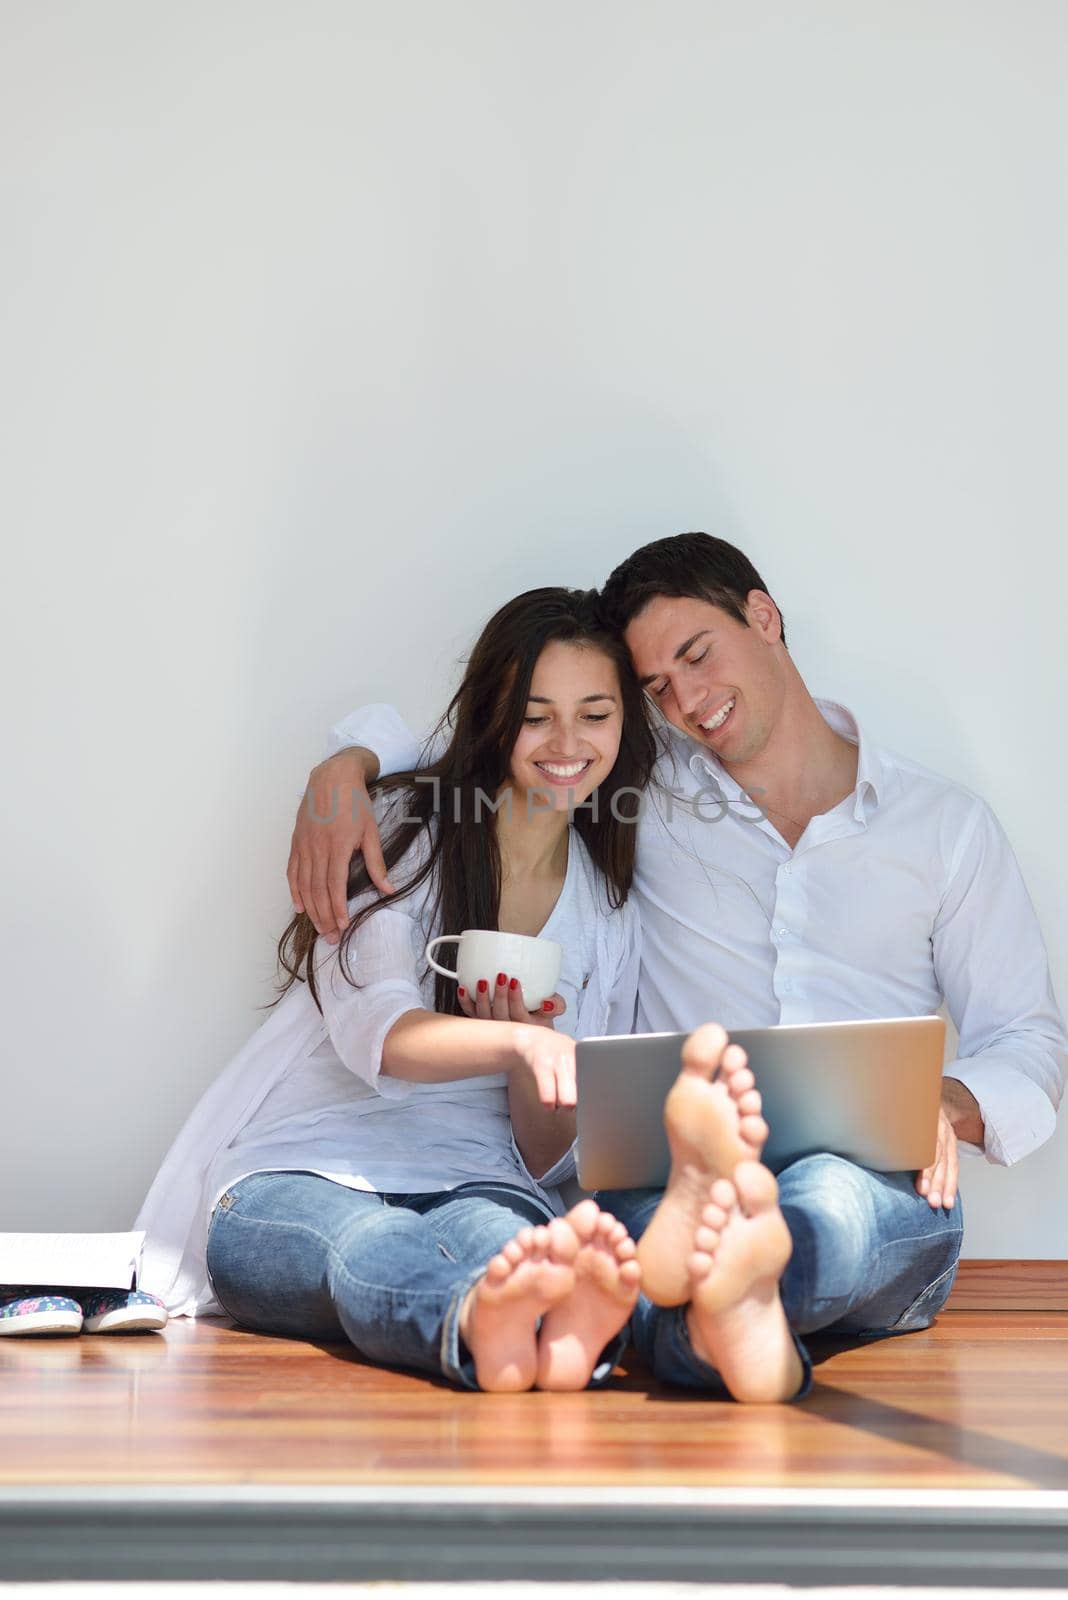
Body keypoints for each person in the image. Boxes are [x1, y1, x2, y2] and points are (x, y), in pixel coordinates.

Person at [291, 533, 1067, 1404]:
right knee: (639, 1242)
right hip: (673, 1181)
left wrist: (948, 1105)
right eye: (657, 688)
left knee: (825, 1205)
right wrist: (341, 775)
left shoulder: (944, 827)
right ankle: (732, 1327)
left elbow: (1028, 1042)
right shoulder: (641, 799)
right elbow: (487, 740)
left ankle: (738, 1277)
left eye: (697, 655)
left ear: (764, 617)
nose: (689, 701)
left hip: (870, 1177)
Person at [135, 587, 659, 1392]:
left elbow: (547, 1154)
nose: (567, 742)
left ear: (625, 726)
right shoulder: (404, 832)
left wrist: (532, 1072)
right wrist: (522, 1039)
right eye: (535, 713)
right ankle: (480, 1323)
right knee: (359, 1246)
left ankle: (537, 1330)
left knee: (506, 1241)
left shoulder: (606, 909)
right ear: (494, 716)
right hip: (299, 1170)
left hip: (478, 1174)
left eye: (595, 714)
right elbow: (379, 1032)